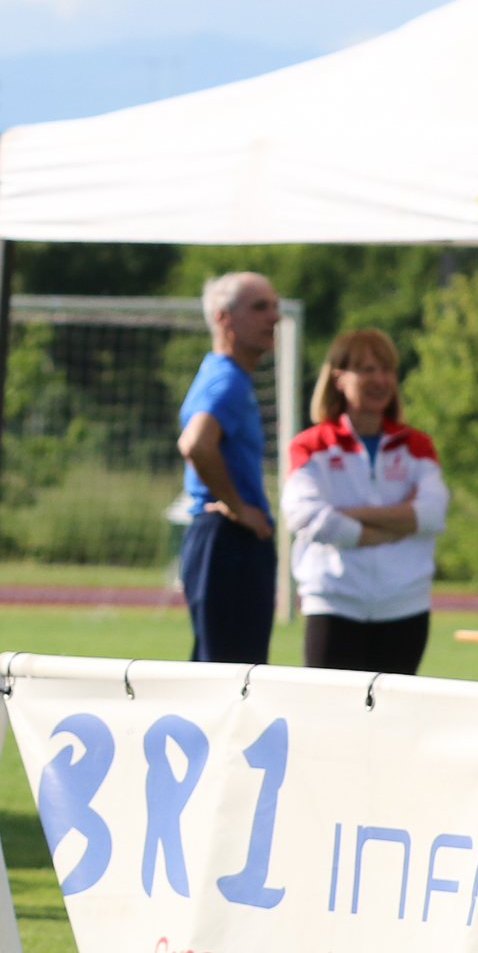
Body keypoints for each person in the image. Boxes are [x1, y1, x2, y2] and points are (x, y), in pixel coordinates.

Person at [281, 327, 448, 673]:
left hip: (405, 604)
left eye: (387, 370)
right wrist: (399, 522)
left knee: (394, 706)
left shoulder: (417, 445)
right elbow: (308, 518)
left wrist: (351, 514)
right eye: (367, 370)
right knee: (331, 705)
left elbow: (433, 514)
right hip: (334, 602)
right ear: (338, 379)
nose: (380, 380)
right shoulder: (310, 445)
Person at [176, 271, 282, 664]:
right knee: (231, 676)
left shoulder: (228, 376)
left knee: (228, 670)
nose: (274, 317)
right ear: (223, 318)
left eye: (275, 307)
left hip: (226, 538)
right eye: (260, 307)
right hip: (227, 540)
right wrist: (239, 508)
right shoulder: (228, 380)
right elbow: (195, 443)